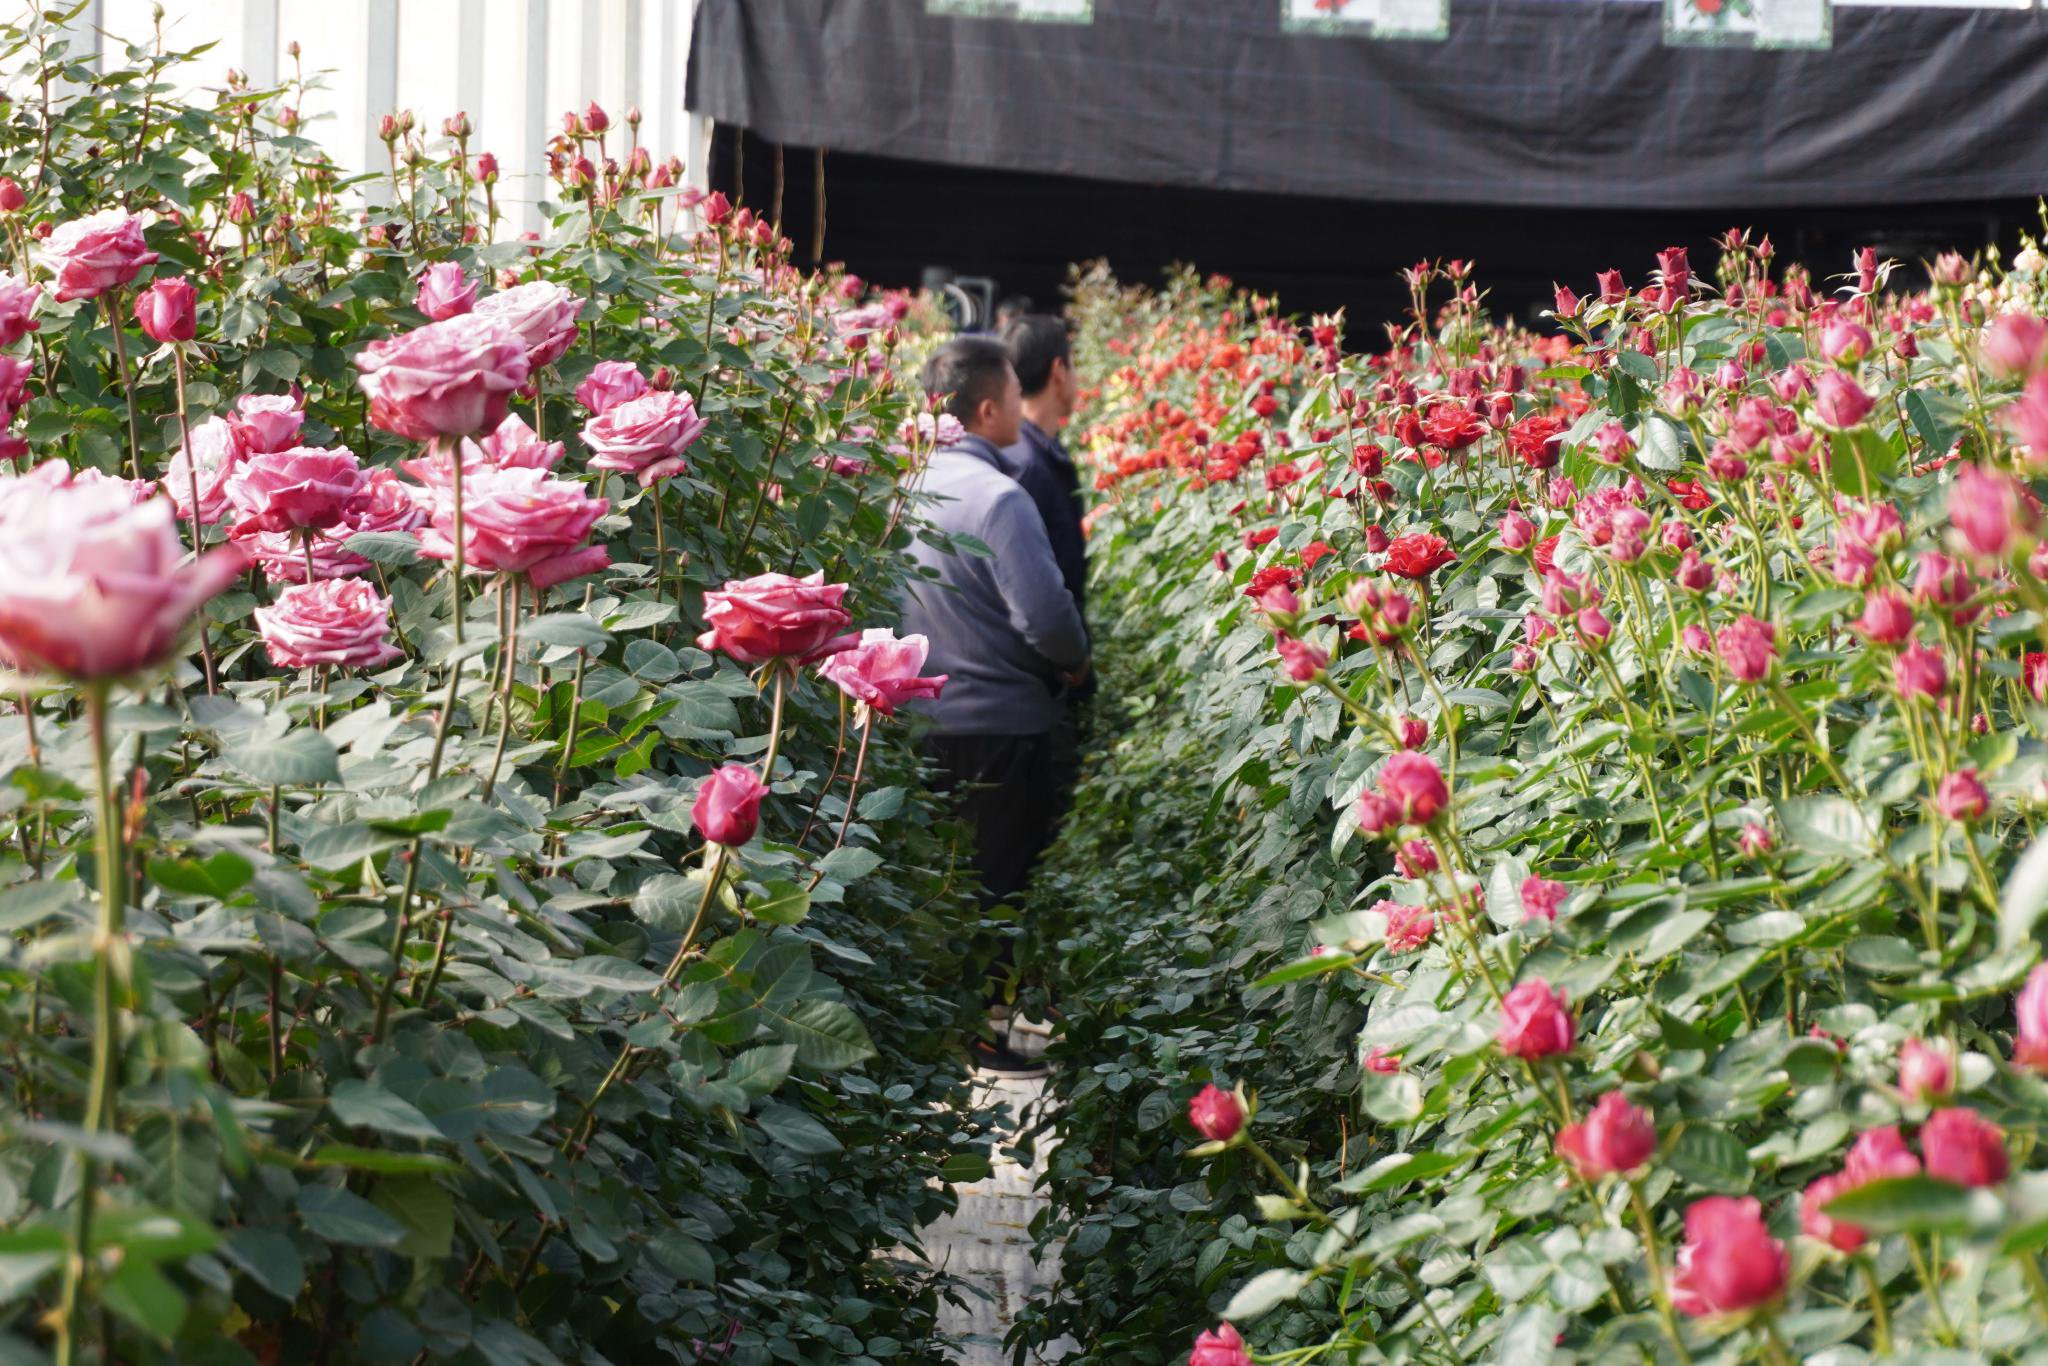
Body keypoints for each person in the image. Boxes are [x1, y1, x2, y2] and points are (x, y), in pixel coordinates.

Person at [901, 335, 1089, 1076]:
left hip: (912, 720)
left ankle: (930, 1030)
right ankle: (983, 1033)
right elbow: (1046, 617)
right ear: (988, 408)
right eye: (1014, 394)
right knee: (997, 886)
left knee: (933, 882)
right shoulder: (1001, 498)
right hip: (1002, 726)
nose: (1021, 406)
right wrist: (1073, 664)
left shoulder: (901, 487)